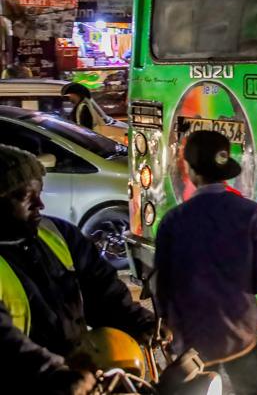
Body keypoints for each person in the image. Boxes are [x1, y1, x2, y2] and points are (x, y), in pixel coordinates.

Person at [0, 144, 154, 394]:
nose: (39, 204)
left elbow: (102, 290)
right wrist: (50, 373)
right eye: (24, 196)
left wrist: (140, 322)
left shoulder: (58, 233)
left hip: (80, 375)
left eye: (39, 193)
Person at [155, 131, 257, 395]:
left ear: (190, 170)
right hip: (241, 335)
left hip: (191, 342)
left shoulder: (172, 222)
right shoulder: (254, 215)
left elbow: (163, 289)